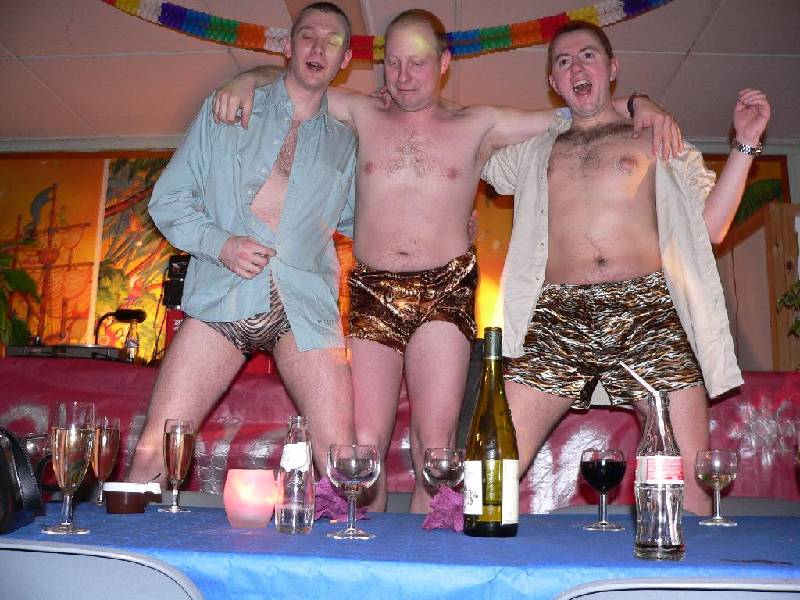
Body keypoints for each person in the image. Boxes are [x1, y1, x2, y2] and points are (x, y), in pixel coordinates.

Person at [213, 10, 681, 513]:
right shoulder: (364, 113)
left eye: (416, 63)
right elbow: (297, 82)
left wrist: (640, 103)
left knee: (435, 449)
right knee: (363, 446)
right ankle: (365, 550)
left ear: (443, 63)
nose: (403, 76)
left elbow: (575, 112)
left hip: (446, 289)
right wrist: (245, 77)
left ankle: (426, 556)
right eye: (394, 63)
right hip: (372, 289)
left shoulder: (478, 124)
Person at [481, 20, 771, 515]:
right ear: (554, 82)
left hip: (647, 311)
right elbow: (474, 142)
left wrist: (745, 142)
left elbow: (714, 226)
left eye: (588, 56)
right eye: (564, 62)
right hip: (557, 315)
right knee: (492, 464)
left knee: (688, 480)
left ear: (612, 68)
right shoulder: (534, 149)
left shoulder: (655, 136)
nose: (577, 67)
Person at [127, 2, 358, 483]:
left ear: (346, 58)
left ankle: (349, 532)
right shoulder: (228, 107)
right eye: (308, 36)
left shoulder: (348, 142)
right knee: (155, 449)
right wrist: (222, 244)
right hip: (221, 299)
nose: (318, 48)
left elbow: (365, 224)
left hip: (304, 310)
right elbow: (168, 201)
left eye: (332, 41)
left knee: (342, 458)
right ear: (288, 46)